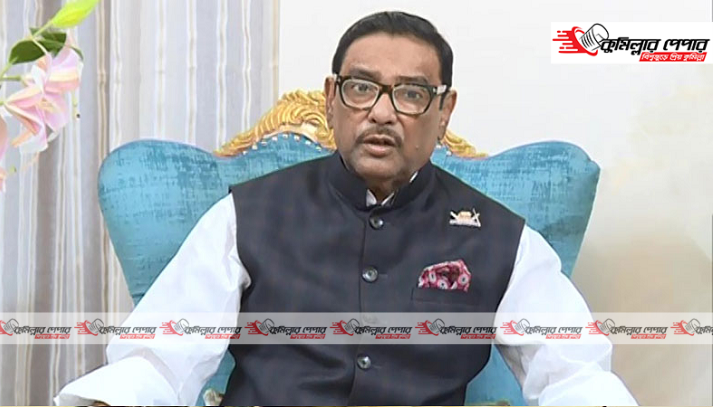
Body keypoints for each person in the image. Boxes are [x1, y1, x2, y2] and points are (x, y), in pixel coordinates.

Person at [56, 11, 637, 406]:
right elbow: (159, 358)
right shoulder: (248, 216)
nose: (382, 112)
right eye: (362, 88)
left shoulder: (500, 238)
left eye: (411, 94)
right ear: (332, 100)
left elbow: (574, 373)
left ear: (444, 112)